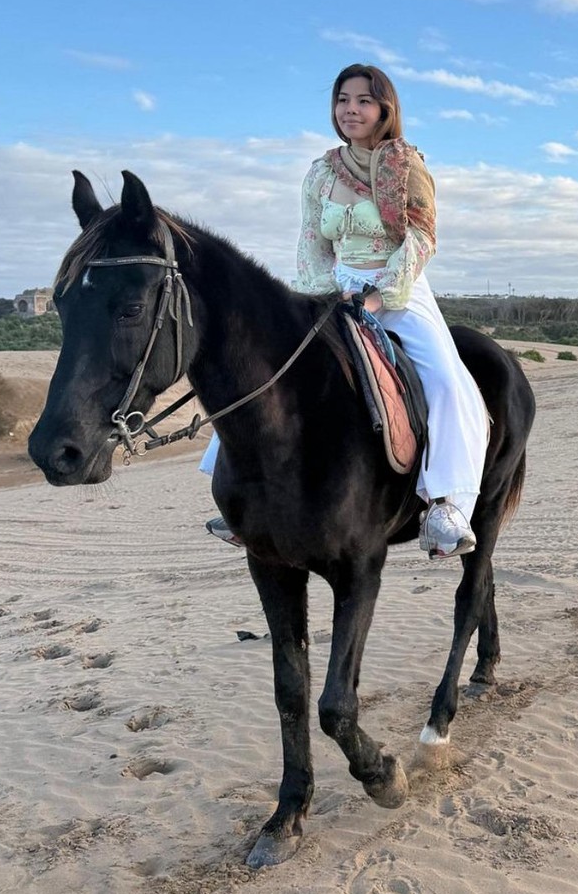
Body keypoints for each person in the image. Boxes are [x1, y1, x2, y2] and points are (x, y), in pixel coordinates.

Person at [204, 63, 488, 558]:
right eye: (343, 100)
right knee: (265, 370)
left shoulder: (407, 168)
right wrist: (317, 295)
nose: (351, 109)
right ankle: (241, 497)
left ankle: (446, 503)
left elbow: (421, 239)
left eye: (363, 100)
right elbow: (312, 242)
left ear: (385, 108)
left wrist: (380, 295)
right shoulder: (321, 172)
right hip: (332, 288)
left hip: (398, 288)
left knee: (446, 379)